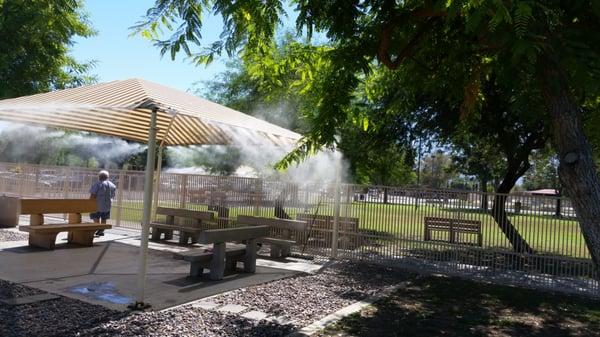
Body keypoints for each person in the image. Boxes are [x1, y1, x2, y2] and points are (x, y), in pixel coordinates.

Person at [89, 170, 116, 236]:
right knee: (104, 218)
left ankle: (97, 228)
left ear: (99, 177)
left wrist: (89, 202)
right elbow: (113, 196)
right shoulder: (112, 185)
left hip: (97, 205)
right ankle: (101, 230)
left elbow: (93, 194)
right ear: (107, 177)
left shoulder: (97, 184)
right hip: (107, 206)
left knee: (95, 217)